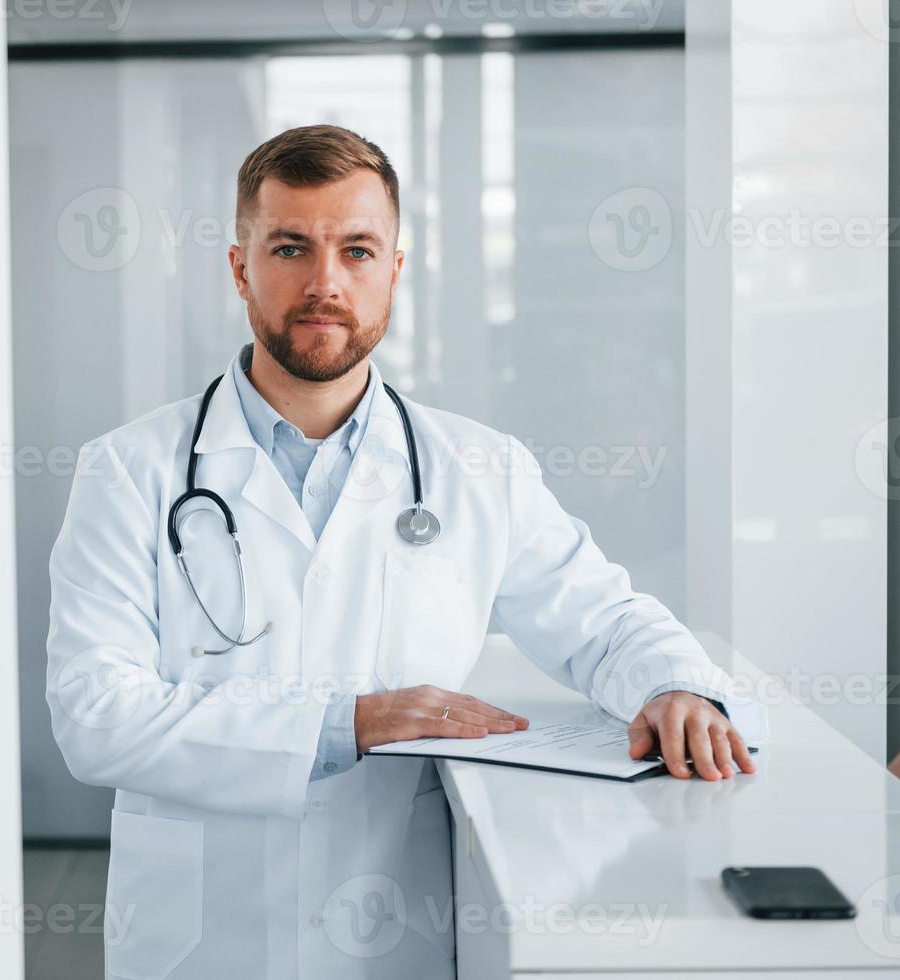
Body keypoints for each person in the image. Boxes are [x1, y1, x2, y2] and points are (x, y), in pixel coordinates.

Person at [45, 124, 766, 979]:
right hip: (203, 933)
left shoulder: (480, 469)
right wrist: (346, 723)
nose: (324, 283)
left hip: (395, 922)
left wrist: (675, 686)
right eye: (290, 248)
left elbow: (602, 620)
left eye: (357, 250)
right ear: (240, 269)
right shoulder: (129, 470)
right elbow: (95, 717)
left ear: (394, 270)